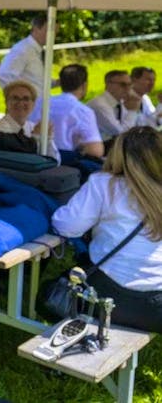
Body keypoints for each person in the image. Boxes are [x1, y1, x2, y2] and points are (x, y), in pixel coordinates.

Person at [51, 127, 162, 332]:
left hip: (110, 298)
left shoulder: (104, 184)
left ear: (118, 153)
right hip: (157, 309)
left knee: (49, 292)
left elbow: (66, 226)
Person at [32, 63, 104, 159]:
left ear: (60, 83)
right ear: (84, 85)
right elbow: (95, 151)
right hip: (65, 164)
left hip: (35, 158)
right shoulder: (83, 111)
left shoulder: (39, 103)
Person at [0, 80, 60, 162]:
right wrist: (36, 137)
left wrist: (48, 139)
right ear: (6, 102)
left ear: (33, 104)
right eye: (15, 98)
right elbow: (21, 161)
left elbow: (55, 160)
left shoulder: (32, 126)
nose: (20, 103)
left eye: (26, 99)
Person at [0, 14, 53, 90]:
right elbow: (4, 75)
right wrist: (22, 98)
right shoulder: (23, 49)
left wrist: (61, 82)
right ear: (36, 29)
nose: (53, 36)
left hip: (41, 100)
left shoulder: (38, 51)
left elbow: (37, 81)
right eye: (49, 31)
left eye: (55, 33)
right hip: (31, 101)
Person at [87, 70, 140, 145]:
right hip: (94, 149)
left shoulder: (120, 102)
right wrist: (132, 111)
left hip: (109, 146)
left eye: (130, 84)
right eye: (123, 84)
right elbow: (120, 133)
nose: (128, 88)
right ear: (109, 85)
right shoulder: (99, 105)